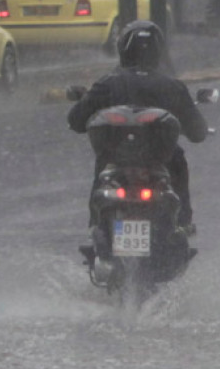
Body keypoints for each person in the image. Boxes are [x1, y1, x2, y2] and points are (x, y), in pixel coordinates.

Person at [67, 20, 209, 232]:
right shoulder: (172, 86)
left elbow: (76, 121)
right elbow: (198, 133)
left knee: (103, 164)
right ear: (158, 51)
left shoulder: (108, 83)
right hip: (162, 163)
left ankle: (95, 224)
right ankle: (183, 221)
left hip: (116, 161)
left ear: (123, 48)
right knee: (177, 159)